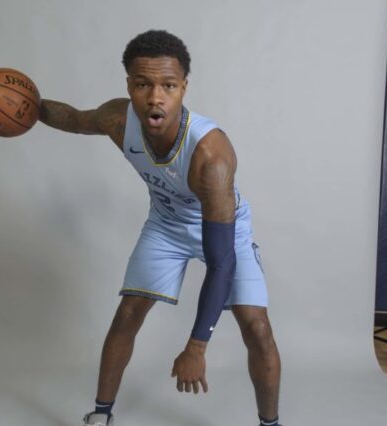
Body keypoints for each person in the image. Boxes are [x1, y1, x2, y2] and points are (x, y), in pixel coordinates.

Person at [39, 30, 281, 426]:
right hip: (166, 225)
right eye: (143, 84)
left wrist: (197, 346)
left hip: (224, 231)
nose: (155, 97)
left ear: (184, 88)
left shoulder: (210, 155)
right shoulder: (119, 119)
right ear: (129, 86)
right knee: (129, 312)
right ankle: (101, 416)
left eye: (168, 85)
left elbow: (220, 264)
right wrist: (30, 106)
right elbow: (75, 120)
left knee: (256, 326)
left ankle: (270, 423)